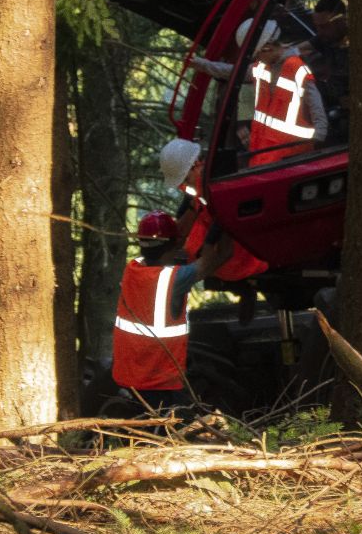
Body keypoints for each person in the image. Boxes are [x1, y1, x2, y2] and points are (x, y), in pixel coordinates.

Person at [111, 209, 227, 411]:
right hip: (159, 381)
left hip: (131, 376)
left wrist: (194, 208)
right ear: (173, 245)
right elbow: (215, 258)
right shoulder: (174, 279)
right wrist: (222, 223)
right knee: (167, 433)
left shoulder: (133, 269)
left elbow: (172, 243)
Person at [160, 136, 266, 282]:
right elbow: (195, 206)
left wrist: (208, 246)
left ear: (196, 164)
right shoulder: (200, 182)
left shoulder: (217, 184)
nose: (184, 186)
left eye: (185, 180)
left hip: (243, 256)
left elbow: (223, 216)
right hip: (225, 242)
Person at [248, 28, 322, 165]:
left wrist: (318, 141)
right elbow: (232, 72)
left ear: (267, 48)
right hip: (265, 153)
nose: (257, 60)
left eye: (258, 56)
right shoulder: (262, 68)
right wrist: (202, 64)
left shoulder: (296, 68)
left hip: (290, 156)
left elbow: (317, 108)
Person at [305, 0, 349, 112]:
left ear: (341, 21)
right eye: (317, 27)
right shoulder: (325, 38)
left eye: (324, 27)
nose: (319, 32)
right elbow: (297, 50)